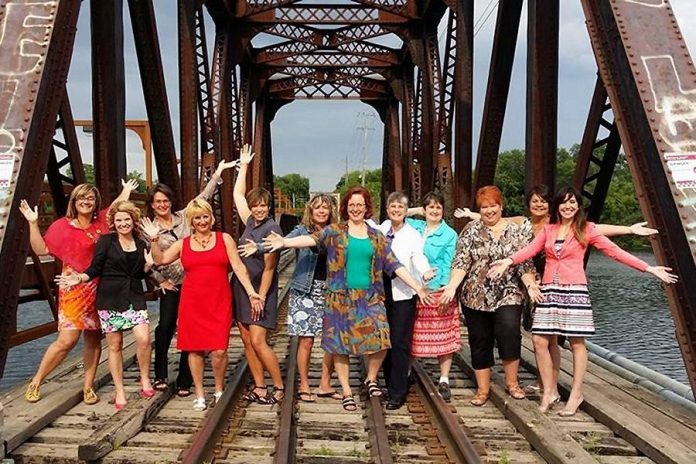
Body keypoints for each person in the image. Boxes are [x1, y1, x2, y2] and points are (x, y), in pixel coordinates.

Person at [488, 186, 677, 415]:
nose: (568, 206)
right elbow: (529, 250)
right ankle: (549, 391)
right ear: (557, 206)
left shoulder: (587, 229)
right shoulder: (550, 229)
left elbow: (615, 252)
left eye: (572, 203)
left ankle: (576, 394)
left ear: (578, 206)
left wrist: (649, 268)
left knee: (577, 343)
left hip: (574, 290)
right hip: (549, 289)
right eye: (564, 203)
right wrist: (507, 261)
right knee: (539, 340)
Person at [263, 185, 433, 412]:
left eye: (360, 205)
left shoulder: (377, 236)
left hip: (370, 297)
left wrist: (418, 288)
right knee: (340, 346)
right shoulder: (335, 231)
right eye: (352, 205)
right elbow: (311, 239)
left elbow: (394, 264)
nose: (355, 209)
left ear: (366, 208)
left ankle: (371, 378)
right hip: (339, 297)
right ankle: (346, 391)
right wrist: (285, 242)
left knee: (383, 338)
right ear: (346, 207)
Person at [19, 179, 138, 404]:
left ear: (96, 202)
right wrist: (32, 223)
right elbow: (41, 249)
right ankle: (36, 381)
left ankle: (88, 386)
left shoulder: (102, 221)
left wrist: (126, 191)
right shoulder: (61, 226)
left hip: (100, 287)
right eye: (81, 198)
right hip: (73, 287)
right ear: (74, 201)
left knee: (93, 339)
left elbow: (116, 206)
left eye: (90, 198)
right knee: (67, 340)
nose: (86, 201)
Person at [141, 198, 263, 411]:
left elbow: (238, 267)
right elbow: (160, 260)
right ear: (191, 221)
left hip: (219, 300)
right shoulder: (183, 244)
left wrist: (252, 292)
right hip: (192, 302)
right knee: (194, 349)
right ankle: (199, 392)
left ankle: (218, 388)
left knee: (219, 350)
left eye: (205, 216)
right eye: (197, 218)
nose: (202, 221)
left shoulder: (224, 239)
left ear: (211, 218)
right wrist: (153, 239)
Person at [440, 186, 540, 407]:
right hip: (475, 295)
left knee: (509, 330)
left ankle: (512, 383)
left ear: (501, 206)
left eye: (493, 206)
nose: (489, 211)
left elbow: (524, 262)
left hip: (509, 291)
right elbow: (461, 262)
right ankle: (483, 389)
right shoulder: (471, 230)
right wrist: (451, 286)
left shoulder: (516, 231)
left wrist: (531, 285)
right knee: (479, 339)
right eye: (484, 207)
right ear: (480, 209)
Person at [146, 159, 238, 397]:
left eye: (165, 201)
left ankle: (185, 381)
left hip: (196, 284)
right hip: (172, 285)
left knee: (192, 334)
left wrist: (217, 172)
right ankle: (161, 375)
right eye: (157, 202)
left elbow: (204, 197)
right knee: (165, 327)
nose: (162, 205)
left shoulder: (185, 215)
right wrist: (159, 281)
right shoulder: (150, 229)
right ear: (152, 205)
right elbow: (149, 259)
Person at [239, 193, 340, 402]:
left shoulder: (338, 232)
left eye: (325, 207)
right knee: (307, 341)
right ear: (310, 210)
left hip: (332, 289)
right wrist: (259, 247)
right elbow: (281, 242)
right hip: (305, 289)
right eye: (317, 207)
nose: (321, 211)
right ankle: (304, 384)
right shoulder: (301, 230)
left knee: (331, 341)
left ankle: (325, 383)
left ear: (331, 211)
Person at [56, 200, 153, 410]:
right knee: (115, 345)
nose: (123, 223)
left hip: (134, 296)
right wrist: (80, 278)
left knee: (144, 339)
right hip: (109, 298)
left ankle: (145, 378)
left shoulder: (141, 242)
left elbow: (141, 272)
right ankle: (119, 390)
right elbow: (95, 267)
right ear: (113, 222)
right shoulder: (106, 241)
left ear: (133, 221)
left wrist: (149, 266)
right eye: (119, 220)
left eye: (127, 219)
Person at [233, 144, 285, 404]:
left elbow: (270, 268)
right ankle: (259, 386)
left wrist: (261, 297)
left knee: (258, 340)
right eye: (256, 205)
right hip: (243, 288)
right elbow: (238, 196)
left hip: (261, 291)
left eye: (263, 205)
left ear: (269, 207)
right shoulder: (249, 222)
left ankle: (278, 386)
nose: (259, 209)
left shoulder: (272, 229)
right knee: (247, 340)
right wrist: (243, 166)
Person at [372, 192, 434, 410]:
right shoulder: (379, 230)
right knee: (384, 341)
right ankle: (389, 382)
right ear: (387, 209)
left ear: (406, 211)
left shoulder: (412, 235)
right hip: (379, 292)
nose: (396, 210)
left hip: (403, 293)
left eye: (400, 207)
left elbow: (418, 256)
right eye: (392, 206)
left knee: (399, 341)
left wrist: (425, 272)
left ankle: (397, 392)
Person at [405, 191, 460, 401]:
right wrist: (417, 209)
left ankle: (444, 379)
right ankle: (407, 372)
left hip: (437, 289)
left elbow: (449, 262)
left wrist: (446, 288)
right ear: (424, 210)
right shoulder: (416, 227)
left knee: (444, 335)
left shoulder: (449, 234)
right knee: (413, 333)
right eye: (430, 207)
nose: (435, 211)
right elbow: (395, 215)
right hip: (414, 288)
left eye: (438, 207)